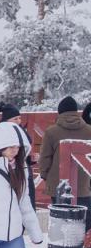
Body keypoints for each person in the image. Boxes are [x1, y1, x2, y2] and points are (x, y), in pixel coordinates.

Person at [39, 96, 91, 230]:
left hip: (58, 185)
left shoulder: (51, 131)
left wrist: (45, 175)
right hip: (85, 184)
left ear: (59, 112)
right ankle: (84, 246)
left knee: (60, 220)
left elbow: (45, 158)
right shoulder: (89, 130)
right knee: (84, 220)